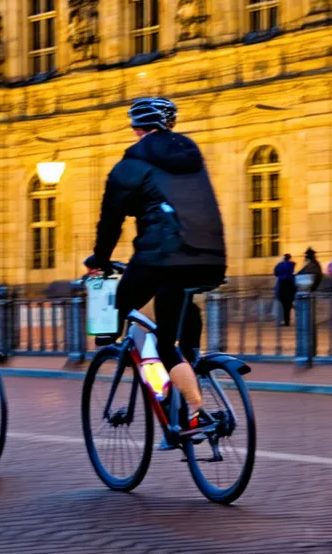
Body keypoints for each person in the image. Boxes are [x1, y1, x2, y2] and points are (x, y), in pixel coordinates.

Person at [86, 97, 227, 432]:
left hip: (163, 257)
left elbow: (111, 219)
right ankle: (192, 359)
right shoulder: (192, 157)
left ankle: (192, 410)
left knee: (133, 316)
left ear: (137, 129)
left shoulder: (132, 162)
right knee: (181, 308)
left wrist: (99, 260)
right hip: (210, 257)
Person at [274, 254, 296, 326]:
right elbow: (292, 273)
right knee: (288, 304)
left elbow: (275, 273)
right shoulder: (291, 264)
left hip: (282, 285)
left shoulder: (279, 265)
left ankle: (283, 320)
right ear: (289, 258)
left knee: (283, 304)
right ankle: (287, 321)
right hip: (290, 285)